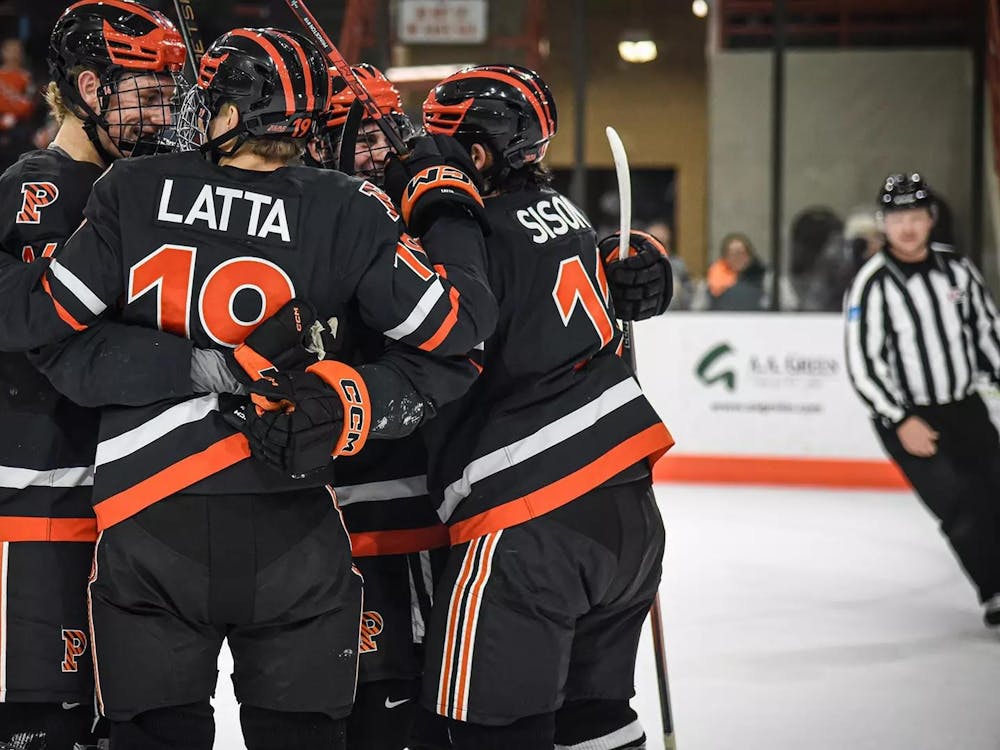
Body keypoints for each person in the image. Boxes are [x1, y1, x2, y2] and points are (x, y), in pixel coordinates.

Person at [0, 25, 497, 750]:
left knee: (152, 735)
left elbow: (52, 333)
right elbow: (460, 328)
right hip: (294, 523)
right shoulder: (349, 205)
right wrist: (446, 203)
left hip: (149, 521)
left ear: (230, 112)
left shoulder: (133, 188)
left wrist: (197, 365)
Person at [414, 64, 674, 750]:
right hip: (627, 509)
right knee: (594, 716)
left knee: (486, 730)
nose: (422, 152)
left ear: (476, 154)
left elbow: (440, 329)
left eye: (438, 140)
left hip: (528, 519)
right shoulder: (568, 215)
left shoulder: (469, 236)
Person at [0, 3, 190, 747]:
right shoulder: (39, 190)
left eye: (169, 95)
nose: (163, 114)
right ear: (88, 86)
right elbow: (56, 338)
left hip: (130, 503)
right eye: (149, 93)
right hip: (44, 500)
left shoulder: (148, 188)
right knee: (42, 722)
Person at [845, 173, 1000, 629]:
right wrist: (900, 420)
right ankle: (995, 590)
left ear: (931, 219)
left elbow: (987, 335)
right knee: (959, 505)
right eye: (897, 218)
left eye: (915, 216)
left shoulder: (958, 270)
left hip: (964, 406)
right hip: (909, 416)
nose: (907, 227)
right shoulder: (872, 283)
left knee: (994, 491)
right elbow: (863, 364)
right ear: (883, 223)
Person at [0, 38, 35, 168]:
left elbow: (29, 104)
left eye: (18, 51)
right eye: (11, 50)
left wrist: (13, 116)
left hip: (19, 129)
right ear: (3, 52)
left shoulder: (26, 77)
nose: (14, 54)